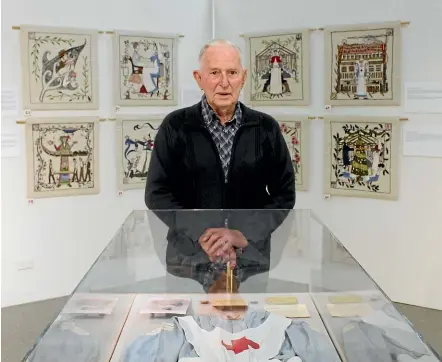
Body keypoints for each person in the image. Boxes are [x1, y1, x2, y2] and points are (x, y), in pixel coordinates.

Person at [145, 39, 295, 292]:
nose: (224, 83)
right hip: (188, 261)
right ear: (199, 78)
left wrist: (243, 233)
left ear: (243, 77)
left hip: (250, 260)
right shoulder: (175, 126)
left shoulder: (265, 128)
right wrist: (205, 235)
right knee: (186, 328)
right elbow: (157, 194)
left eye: (232, 73)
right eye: (214, 73)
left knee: (249, 329)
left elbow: (284, 194)